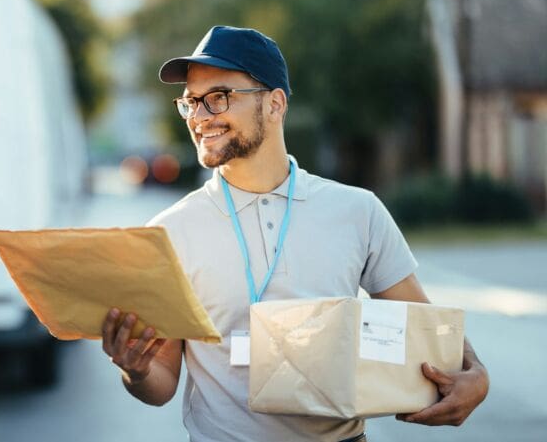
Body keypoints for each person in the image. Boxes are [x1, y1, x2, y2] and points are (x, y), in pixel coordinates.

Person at [100, 26, 489, 442]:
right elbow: (161, 382)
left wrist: (476, 374)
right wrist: (135, 369)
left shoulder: (357, 211)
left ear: (275, 103)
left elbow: (425, 328)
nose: (200, 117)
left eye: (218, 97)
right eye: (191, 103)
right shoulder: (169, 231)